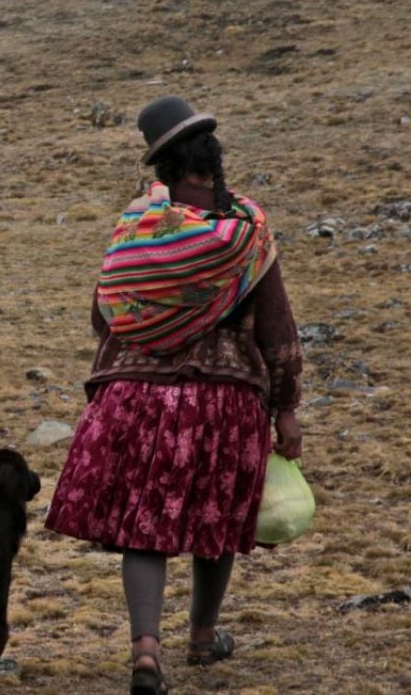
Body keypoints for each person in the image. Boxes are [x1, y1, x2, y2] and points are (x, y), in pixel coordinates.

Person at [45, 96, 304, 695]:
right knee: (215, 517)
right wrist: (286, 407)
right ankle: (202, 636)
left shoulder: (137, 229)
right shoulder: (247, 234)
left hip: (133, 396)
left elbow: (103, 314)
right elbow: (278, 329)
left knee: (144, 526)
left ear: (163, 170)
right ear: (213, 161)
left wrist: (156, 319)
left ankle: (144, 652)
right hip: (222, 400)